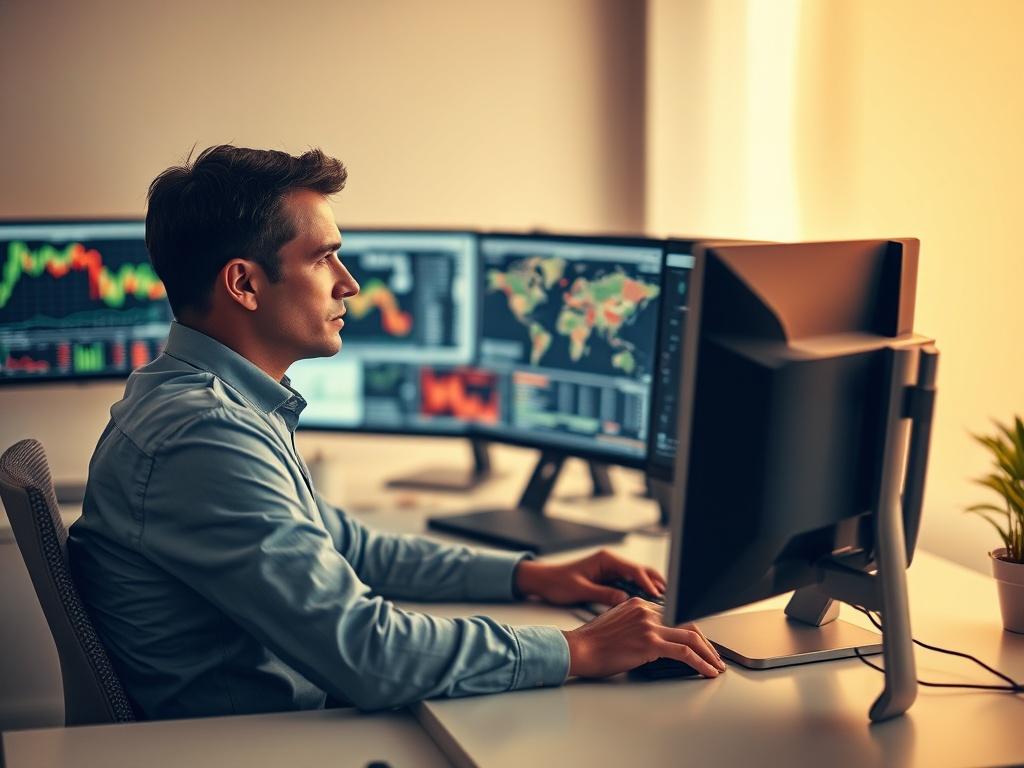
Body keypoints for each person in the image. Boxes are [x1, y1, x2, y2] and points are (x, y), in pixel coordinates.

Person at [68, 145, 725, 720]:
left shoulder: (213, 402)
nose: (349, 285)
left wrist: (533, 578)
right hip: (255, 741)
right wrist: (577, 647)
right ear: (243, 283)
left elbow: (352, 547)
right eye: (325, 259)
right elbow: (367, 653)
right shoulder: (205, 435)